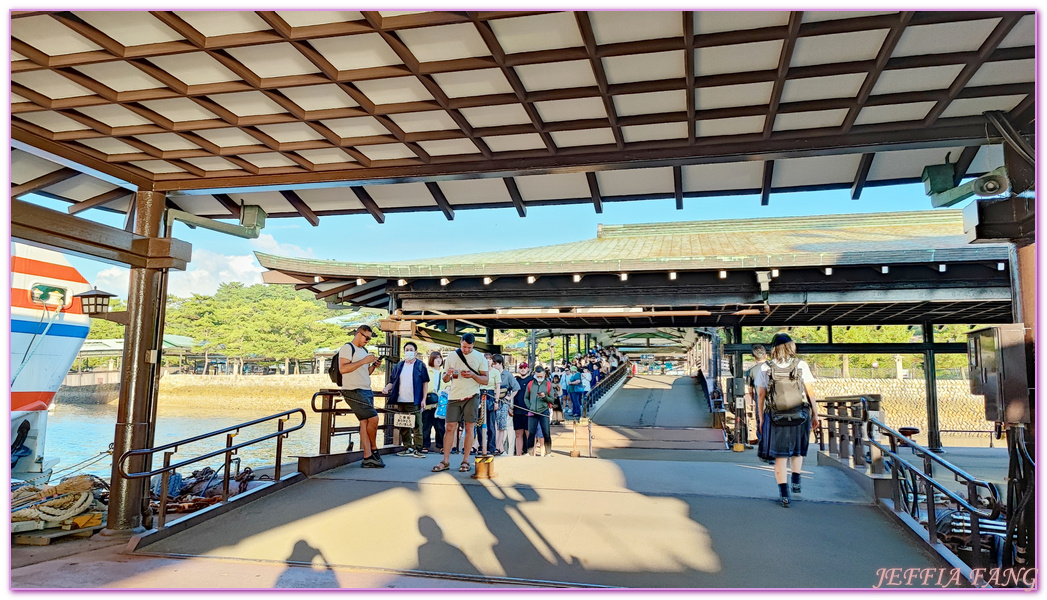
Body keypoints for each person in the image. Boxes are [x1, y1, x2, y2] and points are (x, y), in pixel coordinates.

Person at [756, 333, 819, 508]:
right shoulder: (801, 365)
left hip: (776, 416)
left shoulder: (765, 368)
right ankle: (797, 480)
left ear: (773, 348)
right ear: (791, 346)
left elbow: (761, 395)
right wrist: (816, 414)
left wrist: (761, 418)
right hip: (799, 415)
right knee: (797, 450)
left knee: (780, 456)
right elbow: (810, 392)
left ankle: (784, 494)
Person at [432, 333, 488, 473]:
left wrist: (473, 375)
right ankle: (445, 460)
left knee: (470, 427)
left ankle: (466, 460)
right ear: (460, 343)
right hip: (454, 395)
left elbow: (485, 380)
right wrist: (449, 373)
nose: (466, 350)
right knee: (450, 427)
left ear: (473, 345)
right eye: (464, 347)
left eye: (469, 347)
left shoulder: (480, 357)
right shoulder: (451, 356)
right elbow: (444, 379)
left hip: (472, 395)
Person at [338, 325, 385, 468]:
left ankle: (367, 456)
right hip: (353, 390)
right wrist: (364, 361)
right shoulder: (347, 348)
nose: (368, 341)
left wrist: (373, 366)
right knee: (374, 418)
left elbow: (365, 372)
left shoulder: (363, 350)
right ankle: (374, 449)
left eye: (370, 338)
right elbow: (343, 369)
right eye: (366, 337)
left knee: (365, 422)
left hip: (365, 389)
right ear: (359, 334)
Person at [383, 341, 429, 458]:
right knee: (403, 424)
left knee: (417, 424)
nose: (408, 352)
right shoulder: (399, 365)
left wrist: (424, 399)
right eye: (407, 350)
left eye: (411, 350)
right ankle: (407, 447)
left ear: (415, 352)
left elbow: (425, 383)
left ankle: (418, 448)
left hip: (415, 400)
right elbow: (392, 381)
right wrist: (386, 389)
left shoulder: (420, 365)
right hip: (401, 399)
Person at [491, 354, 517, 455]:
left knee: (501, 426)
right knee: (494, 425)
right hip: (493, 401)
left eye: (495, 363)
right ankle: (499, 447)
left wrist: (509, 398)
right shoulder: (492, 373)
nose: (494, 365)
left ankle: (499, 447)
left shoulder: (507, 375)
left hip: (503, 402)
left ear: (500, 363)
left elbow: (516, 388)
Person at [524, 366, 553, 457]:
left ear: (544, 375)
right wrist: (530, 407)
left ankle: (548, 452)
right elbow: (526, 397)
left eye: (541, 376)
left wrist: (544, 397)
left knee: (546, 432)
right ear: (535, 375)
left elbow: (552, 400)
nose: (539, 378)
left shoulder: (548, 384)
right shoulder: (530, 384)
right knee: (531, 433)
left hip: (544, 411)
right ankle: (529, 452)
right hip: (533, 411)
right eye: (538, 376)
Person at [476, 352, 500, 456]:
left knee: (491, 424)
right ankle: (481, 446)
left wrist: (496, 401)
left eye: (490, 359)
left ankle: (491, 447)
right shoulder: (479, 372)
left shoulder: (495, 372)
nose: (488, 361)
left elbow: (497, 387)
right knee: (480, 423)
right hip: (480, 394)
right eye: (486, 359)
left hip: (490, 395)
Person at [745, 344, 769, 449]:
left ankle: (763, 444)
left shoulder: (751, 371)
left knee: (761, 421)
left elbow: (750, 390)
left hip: (760, 401)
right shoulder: (772, 368)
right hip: (776, 402)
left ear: (754, 357)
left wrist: (755, 399)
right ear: (766, 355)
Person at [423, 351, 446, 453]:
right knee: (426, 425)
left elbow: (448, 385)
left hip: (441, 403)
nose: (438, 360)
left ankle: (441, 445)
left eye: (440, 358)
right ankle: (425, 445)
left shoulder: (444, 372)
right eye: (436, 358)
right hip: (429, 402)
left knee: (440, 426)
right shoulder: (427, 371)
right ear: (431, 360)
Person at [512, 362, 533, 455]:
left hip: (528, 410)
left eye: (524, 367)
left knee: (529, 434)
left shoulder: (532, 380)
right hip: (517, 410)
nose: (523, 369)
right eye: (521, 368)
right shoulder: (515, 380)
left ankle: (531, 454)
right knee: (518, 434)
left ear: (528, 368)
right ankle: (518, 454)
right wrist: (510, 407)